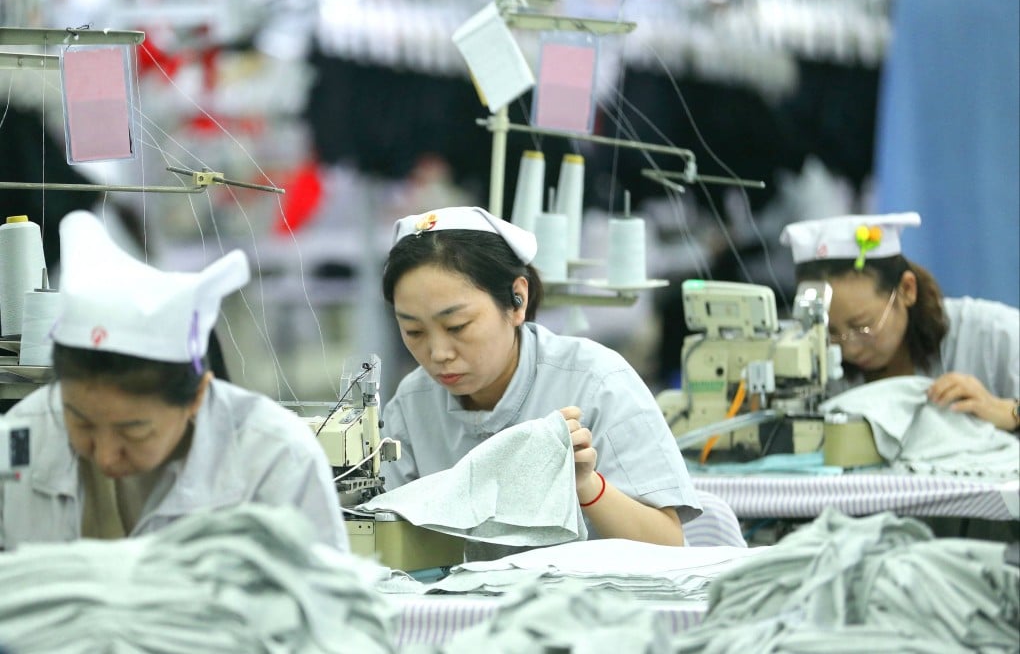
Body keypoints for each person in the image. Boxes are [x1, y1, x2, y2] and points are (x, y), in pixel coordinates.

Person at [0, 211, 348, 551]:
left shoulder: (276, 460)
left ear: (197, 396)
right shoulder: (20, 437)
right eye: (80, 423)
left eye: (133, 430)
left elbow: (325, 604)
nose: (105, 457)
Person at [379, 206, 701, 546]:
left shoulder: (597, 384)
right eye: (413, 331)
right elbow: (383, 539)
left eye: (457, 326)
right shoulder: (411, 406)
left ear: (517, 301)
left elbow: (668, 544)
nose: (438, 353)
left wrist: (587, 486)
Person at [780, 211, 1020, 432]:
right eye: (831, 332)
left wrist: (1007, 412)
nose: (849, 348)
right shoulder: (809, 359)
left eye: (862, 325)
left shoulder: (993, 334)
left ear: (907, 289)